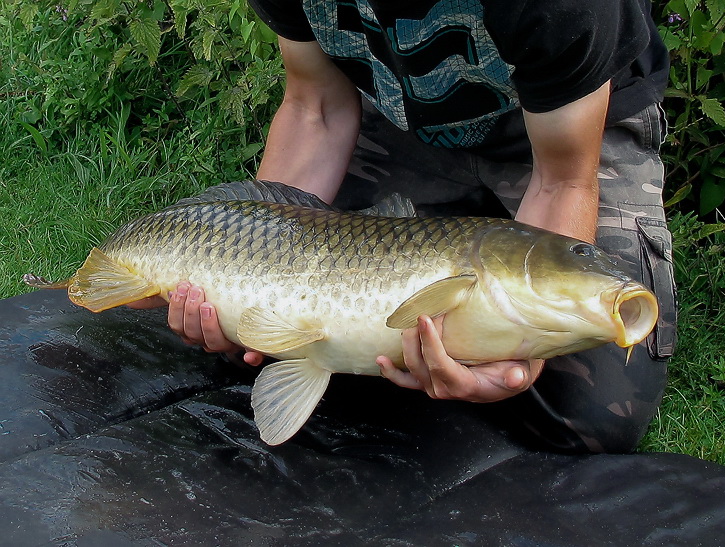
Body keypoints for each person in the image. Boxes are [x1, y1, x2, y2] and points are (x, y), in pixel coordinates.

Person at [134, 0, 677, 453]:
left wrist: (519, 353)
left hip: (571, 135)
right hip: (405, 122)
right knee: (238, 337)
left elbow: (563, 182)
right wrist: (250, 276)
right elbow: (316, 109)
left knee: (595, 414)